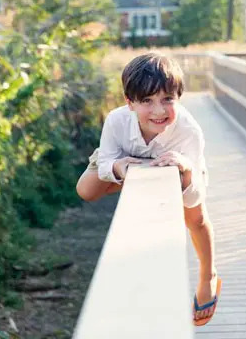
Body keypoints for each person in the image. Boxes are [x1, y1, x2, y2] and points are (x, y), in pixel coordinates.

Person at [75, 53, 221, 326]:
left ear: (179, 97)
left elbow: (195, 194)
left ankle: (208, 275)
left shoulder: (188, 131)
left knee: (196, 218)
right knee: (86, 190)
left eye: (167, 99)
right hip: (122, 158)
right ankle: (135, 177)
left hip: (176, 167)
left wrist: (187, 171)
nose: (158, 111)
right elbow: (106, 159)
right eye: (147, 101)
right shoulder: (117, 121)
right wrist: (118, 168)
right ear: (129, 103)